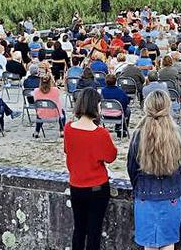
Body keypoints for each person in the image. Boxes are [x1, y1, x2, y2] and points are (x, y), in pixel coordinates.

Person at [128, 90, 181, 250]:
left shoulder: (138, 135)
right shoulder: (177, 134)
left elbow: (131, 168)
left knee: (149, 245)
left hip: (145, 193)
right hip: (171, 193)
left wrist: (139, 186)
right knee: (168, 243)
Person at [64, 88, 118, 250]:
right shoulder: (100, 133)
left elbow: (68, 151)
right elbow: (111, 156)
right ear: (95, 106)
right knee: (94, 232)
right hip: (96, 187)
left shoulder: (68, 128)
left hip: (76, 185)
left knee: (79, 229)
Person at [32, 74, 65, 138]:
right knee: (62, 111)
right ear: (50, 81)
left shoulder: (36, 91)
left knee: (39, 111)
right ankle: (62, 130)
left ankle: (37, 131)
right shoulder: (55, 90)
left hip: (41, 115)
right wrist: (54, 83)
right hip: (54, 114)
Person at [101, 73, 131, 138]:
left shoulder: (102, 91)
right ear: (115, 82)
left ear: (106, 82)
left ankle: (119, 127)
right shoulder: (120, 91)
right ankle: (122, 129)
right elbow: (126, 102)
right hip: (118, 114)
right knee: (128, 110)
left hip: (105, 114)